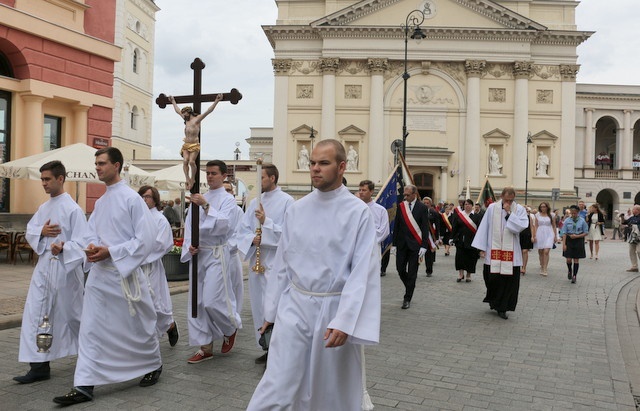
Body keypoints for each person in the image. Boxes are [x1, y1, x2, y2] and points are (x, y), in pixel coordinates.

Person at [247, 139, 380, 410]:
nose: (315, 169)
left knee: (330, 390)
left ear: (342, 167)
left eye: (323, 163)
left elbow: (362, 272)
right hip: (294, 307)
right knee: (277, 383)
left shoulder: (358, 213)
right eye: (312, 163)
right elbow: (284, 264)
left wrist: (345, 320)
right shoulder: (298, 209)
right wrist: (269, 313)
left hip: (333, 309)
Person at [54, 147, 161, 406]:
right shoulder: (101, 202)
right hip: (100, 278)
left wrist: (111, 251)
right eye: (96, 163)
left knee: (137, 326)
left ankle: (152, 363)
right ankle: (84, 384)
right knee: (90, 329)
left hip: (125, 277)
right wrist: (72, 247)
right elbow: (90, 236)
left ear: (117, 165)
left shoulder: (132, 200)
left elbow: (145, 240)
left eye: (102, 163)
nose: (97, 167)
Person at [14, 161, 88, 384]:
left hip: (65, 271)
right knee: (36, 314)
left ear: (60, 179)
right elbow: (30, 230)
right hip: (44, 268)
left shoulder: (73, 209)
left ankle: (94, 353)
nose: (43, 183)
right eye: (42, 179)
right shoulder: (44, 208)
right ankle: (38, 366)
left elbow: (84, 242)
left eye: (47, 179)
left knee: (73, 316)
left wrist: (65, 247)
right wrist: (42, 232)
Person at [180, 160, 242, 363]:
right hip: (199, 253)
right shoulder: (200, 197)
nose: (209, 176)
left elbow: (225, 225)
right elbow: (189, 225)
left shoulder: (228, 200)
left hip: (216, 253)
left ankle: (229, 328)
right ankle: (205, 346)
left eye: (214, 173)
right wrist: (189, 245)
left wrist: (205, 206)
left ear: (224, 176)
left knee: (212, 300)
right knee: (197, 302)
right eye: (207, 173)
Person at [237, 164, 294, 365]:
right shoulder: (254, 202)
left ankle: (279, 349)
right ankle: (266, 345)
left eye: (262, 178)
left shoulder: (288, 201)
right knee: (259, 305)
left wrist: (267, 223)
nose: (259, 182)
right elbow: (241, 230)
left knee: (274, 304)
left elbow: (290, 232)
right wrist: (252, 239)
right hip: (257, 262)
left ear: (272, 178)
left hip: (275, 261)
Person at [471, 187, 528, 320]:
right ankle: (494, 301)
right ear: (501, 196)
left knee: (509, 282)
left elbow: (521, 227)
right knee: (492, 278)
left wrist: (509, 214)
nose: (508, 202)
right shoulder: (492, 208)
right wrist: (481, 247)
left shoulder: (519, 209)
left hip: (511, 253)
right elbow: (485, 226)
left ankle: (503, 307)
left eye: (511, 200)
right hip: (493, 250)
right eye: (506, 199)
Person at [138, 186, 179, 347]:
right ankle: (147, 340)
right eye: (141, 196)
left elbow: (162, 244)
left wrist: (139, 252)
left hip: (151, 266)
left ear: (155, 199)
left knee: (155, 302)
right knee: (139, 303)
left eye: (147, 196)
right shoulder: (136, 217)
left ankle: (170, 325)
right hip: (136, 267)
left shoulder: (160, 220)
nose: (144, 199)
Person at [170, 93, 223, 190]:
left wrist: (217, 100)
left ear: (189, 113)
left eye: (185, 114)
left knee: (191, 162)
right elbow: (177, 111)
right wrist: (173, 101)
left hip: (194, 144)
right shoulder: (186, 120)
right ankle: (187, 178)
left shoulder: (196, 119)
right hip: (186, 144)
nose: (184, 115)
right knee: (185, 161)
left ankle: (193, 178)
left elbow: (208, 111)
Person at [392, 185, 429, 309]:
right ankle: (410, 285)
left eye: (408, 195)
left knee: (412, 273)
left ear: (414, 194)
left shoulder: (422, 207)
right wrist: (394, 244)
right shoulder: (401, 207)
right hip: (402, 245)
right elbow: (396, 226)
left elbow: (425, 228)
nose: (405, 197)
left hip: (416, 246)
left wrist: (424, 245)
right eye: (404, 195)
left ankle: (407, 298)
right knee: (400, 269)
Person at [450, 199, 481, 282]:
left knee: (470, 258)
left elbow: (480, 229)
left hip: (472, 241)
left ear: (472, 205)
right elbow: (454, 227)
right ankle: (460, 274)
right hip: (460, 240)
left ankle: (468, 275)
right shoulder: (459, 215)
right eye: (465, 204)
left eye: (469, 204)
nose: (467, 206)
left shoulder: (477, 216)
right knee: (460, 258)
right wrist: (452, 238)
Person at [358, 179, 390, 254]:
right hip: (357, 247)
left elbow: (384, 231)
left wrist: (368, 237)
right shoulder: (354, 208)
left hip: (373, 248)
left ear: (371, 191)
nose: (361, 192)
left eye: (364, 190)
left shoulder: (381, 210)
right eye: (360, 190)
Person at [560, 205, 588, 283]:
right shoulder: (567, 221)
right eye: (572, 213)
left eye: (575, 213)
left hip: (578, 240)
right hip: (569, 240)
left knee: (576, 259)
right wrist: (564, 244)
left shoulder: (582, 221)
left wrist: (577, 236)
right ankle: (569, 270)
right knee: (568, 259)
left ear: (578, 213)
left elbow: (586, 232)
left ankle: (574, 275)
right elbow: (564, 232)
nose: (573, 215)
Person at [533, 202, 556, 276]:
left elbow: (554, 226)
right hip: (540, 233)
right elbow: (536, 225)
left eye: (544, 207)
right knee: (540, 251)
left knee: (546, 251)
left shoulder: (552, 215)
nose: (543, 208)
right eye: (542, 207)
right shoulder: (537, 215)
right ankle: (542, 266)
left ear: (547, 207)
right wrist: (534, 235)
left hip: (549, 233)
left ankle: (545, 268)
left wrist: (555, 236)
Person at [422, 196, 441, 277]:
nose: (426, 204)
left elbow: (437, 225)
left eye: (427, 203)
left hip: (430, 236)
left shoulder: (434, 212)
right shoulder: (419, 211)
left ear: (430, 204)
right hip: (420, 235)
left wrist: (436, 238)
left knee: (428, 254)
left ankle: (429, 270)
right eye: (424, 203)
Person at [518, 207, 536, 276]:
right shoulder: (517, 217)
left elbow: (532, 227)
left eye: (526, 210)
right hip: (518, 235)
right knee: (518, 251)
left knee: (524, 251)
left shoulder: (529, 217)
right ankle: (518, 266)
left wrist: (532, 236)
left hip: (527, 235)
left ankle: (524, 267)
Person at [622, 205, 640, 272]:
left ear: (638, 210)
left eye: (634, 209)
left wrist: (635, 226)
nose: (633, 210)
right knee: (631, 251)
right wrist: (622, 217)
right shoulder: (632, 217)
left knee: (639, 251)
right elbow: (624, 222)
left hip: (639, 236)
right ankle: (634, 266)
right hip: (632, 236)